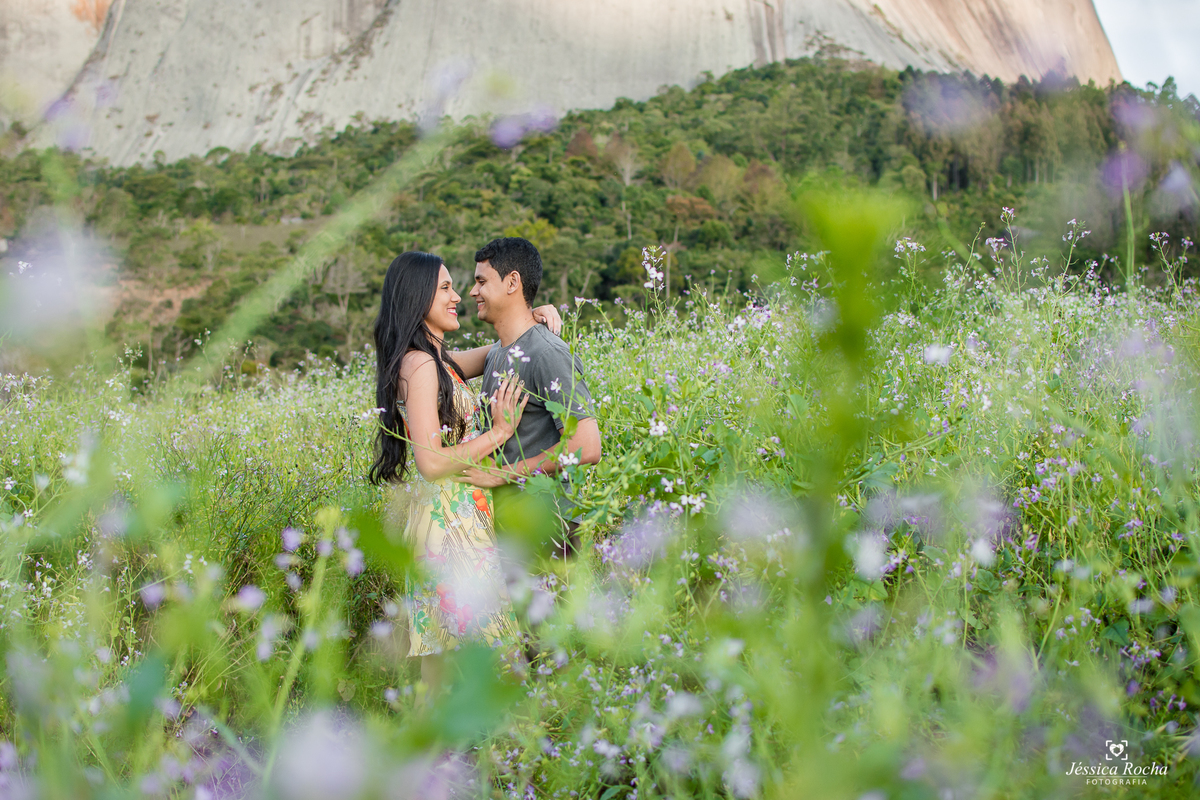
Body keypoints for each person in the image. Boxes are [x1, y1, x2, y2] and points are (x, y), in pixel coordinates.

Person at [367, 250, 561, 689]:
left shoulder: (436, 362)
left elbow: (504, 348)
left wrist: (535, 316)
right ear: (418, 299)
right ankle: (522, 747)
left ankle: (434, 754)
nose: (458, 296)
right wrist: (500, 431)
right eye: (446, 288)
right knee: (503, 657)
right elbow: (431, 462)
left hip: (456, 515)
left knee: (438, 676)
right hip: (450, 524)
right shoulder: (420, 367)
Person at [460, 237, 602, 557]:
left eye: (481, 281)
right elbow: (433, 363)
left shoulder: (548, 352)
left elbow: (587, 445)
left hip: (549, 524)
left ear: (512, 282)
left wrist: (501, 475)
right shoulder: (497, 353)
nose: (472, 291)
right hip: (513, 528)